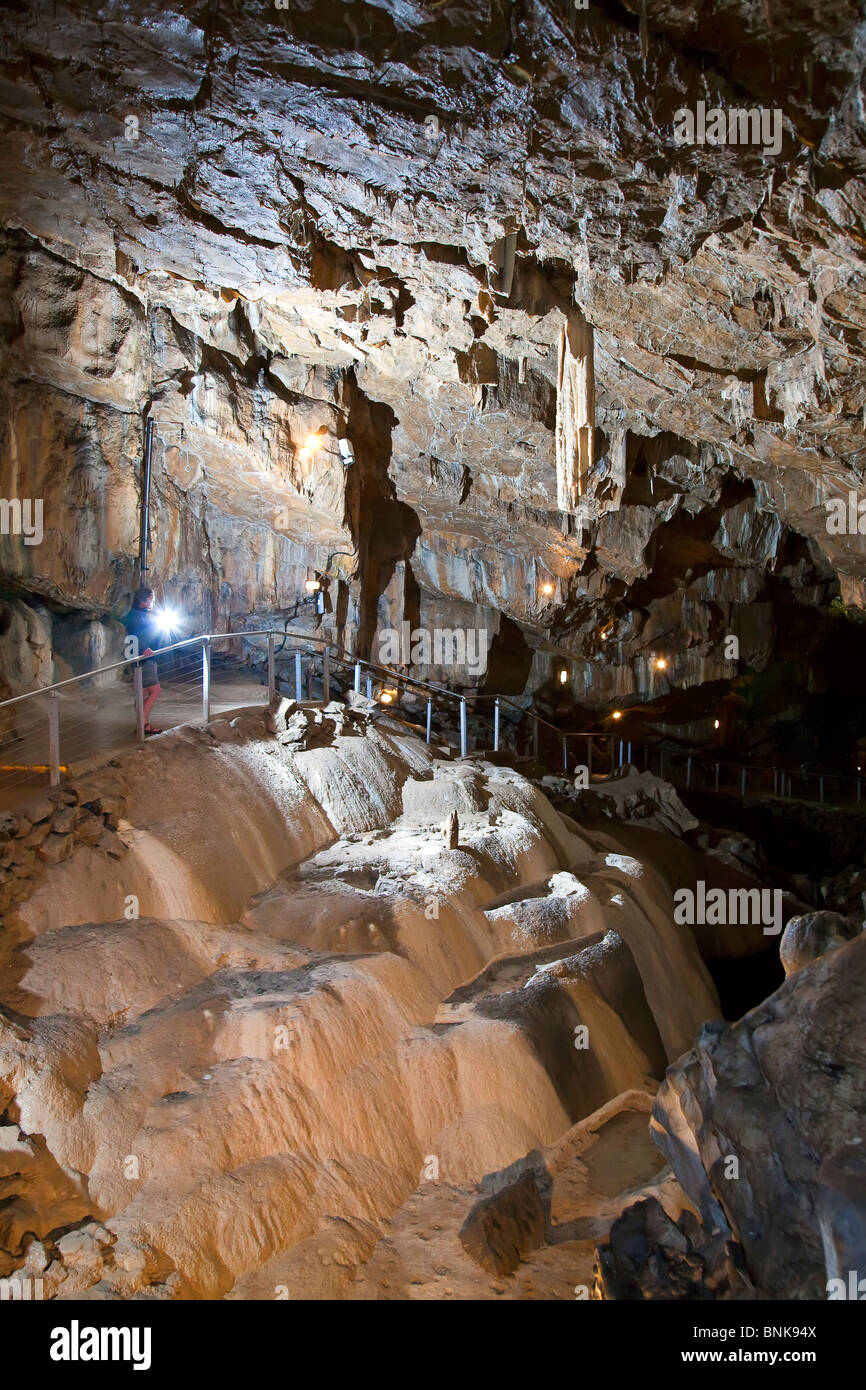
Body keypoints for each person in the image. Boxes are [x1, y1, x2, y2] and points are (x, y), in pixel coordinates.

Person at [123, 586, 164, 735]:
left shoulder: (139, 614)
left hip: (145, 657)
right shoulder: (136, 616)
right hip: (145, 659)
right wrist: (144, 649)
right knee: (155, 690)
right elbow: (133, 634)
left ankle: (142, 724)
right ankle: (143, 724)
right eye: (150, 599)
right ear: (143, 601)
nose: (152, 602)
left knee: (144, 691)